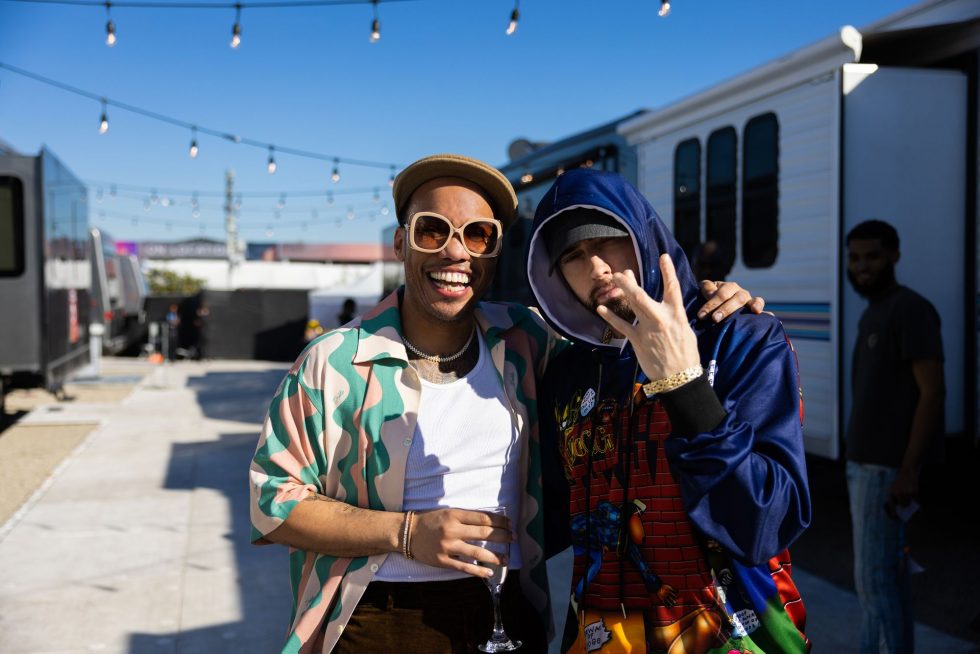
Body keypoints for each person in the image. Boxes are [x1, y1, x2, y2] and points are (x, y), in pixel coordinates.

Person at [249, 154, 763, 654]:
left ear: (494, 252)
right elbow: (271, 503)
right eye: (433, 231)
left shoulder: (525, 339)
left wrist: (709, 303)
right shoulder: (335, 360)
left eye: (478, 235)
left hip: (510, 614)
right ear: (401, 242)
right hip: (382, 620)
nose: (456, 253)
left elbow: (617, 331)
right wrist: (405, 533)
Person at [526, 169, 811, 653]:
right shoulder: (567, 375)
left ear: (643, 235)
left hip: (735, 640)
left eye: (609, 241)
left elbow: (767, 522)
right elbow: (544, 517)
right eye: (572, 256)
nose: (596, 267)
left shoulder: (740, 337)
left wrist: (684, 384)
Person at [844, 220, 944, 654]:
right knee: (886, 583)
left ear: (895, 257)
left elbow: (933, 392)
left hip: (884, 471)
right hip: (866, 465)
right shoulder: (873, 310)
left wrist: (908, 470)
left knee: (875, 585)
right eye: (854, 258)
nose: (862, 267)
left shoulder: (910, 310)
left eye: (872, 257)